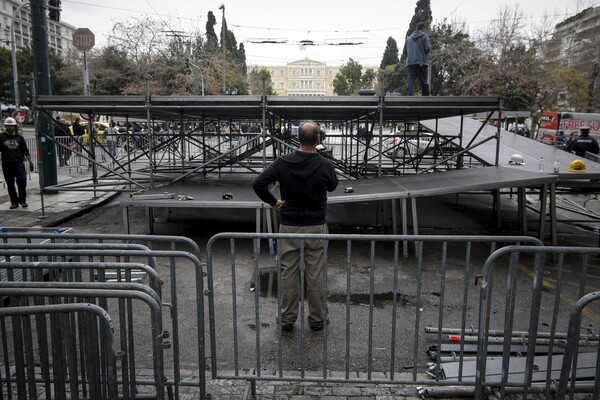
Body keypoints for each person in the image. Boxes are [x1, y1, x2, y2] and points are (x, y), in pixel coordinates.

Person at [252, 121, 339, 332]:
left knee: (288, 273)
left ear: (297, 138)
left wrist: (274, 202)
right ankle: (317, 319)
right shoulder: (324, 163)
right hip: (316, 226)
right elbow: (333, 186)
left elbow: (258, 183)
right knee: (315, 273)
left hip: (289, 226)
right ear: (318, 139)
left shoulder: (283, 162)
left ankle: (287, 320)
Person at [0, 117, 34, 209]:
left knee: (22, 180)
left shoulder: (20, 137)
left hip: (18, 162)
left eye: (12, 126)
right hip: (7, 163)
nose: (10, 128)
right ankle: (14, 202)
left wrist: (31, 162)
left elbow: (26, 151)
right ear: (5, 126)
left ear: (15, 126)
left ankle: (22, 200)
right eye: (8, 126)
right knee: (10, 183)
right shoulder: (1, 137)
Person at [402, 21, 431, 96]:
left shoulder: (408, 39)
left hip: (410, 63)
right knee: (423, 81)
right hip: (421, 62)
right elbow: (427, 48)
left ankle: (409, 97)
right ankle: (426, 99)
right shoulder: (424, 36)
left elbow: (404, 51)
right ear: (423, 28)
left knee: (411, 80)